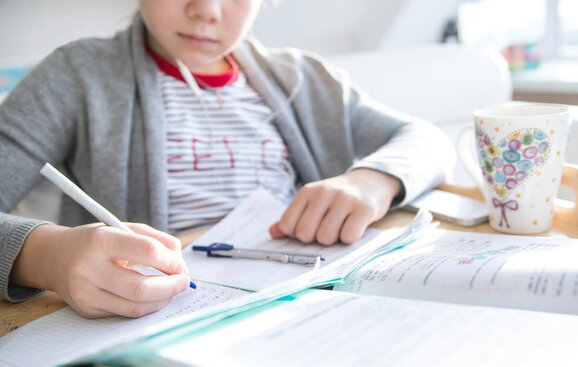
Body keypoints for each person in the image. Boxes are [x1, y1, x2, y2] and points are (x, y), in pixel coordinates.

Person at [0, 0, 454, 318]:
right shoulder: (76, 76)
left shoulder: (306, 80)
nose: (207, 9)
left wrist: (372, 181)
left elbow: (427, 139)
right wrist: (42, 256)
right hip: (156, 324)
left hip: (306, 309)